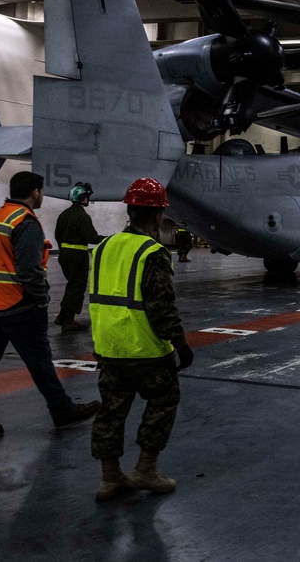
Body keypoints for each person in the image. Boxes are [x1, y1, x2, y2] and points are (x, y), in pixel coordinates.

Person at [0, 172, 101, 444]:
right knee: (39, 360)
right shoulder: (25, 222)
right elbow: (29, 270)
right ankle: (62, 410)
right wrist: (41, 298)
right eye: (41, 190)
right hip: (18, 305)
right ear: (35, 192)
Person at [89, 177, 194, 500]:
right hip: (145, 349)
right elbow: (160, 306)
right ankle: (146, 469)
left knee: (111, 411)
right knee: (163, 401)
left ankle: (110, 478)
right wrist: (180, 343)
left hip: (108, 346)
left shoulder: (104, 246)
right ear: (159, 215)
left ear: (130, 211)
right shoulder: (152, 252)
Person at [54, 182, 105, 331]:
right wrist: (110, 239)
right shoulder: (82, 216)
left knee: (71, 286)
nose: (88, 200)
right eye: (87, 197)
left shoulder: (64, 214)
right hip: (78, 256)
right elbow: (92, 238)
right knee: (76, 288)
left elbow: (57, 235)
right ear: (82, 198)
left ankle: (62, 317)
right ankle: (69, 320)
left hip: (64, 255)